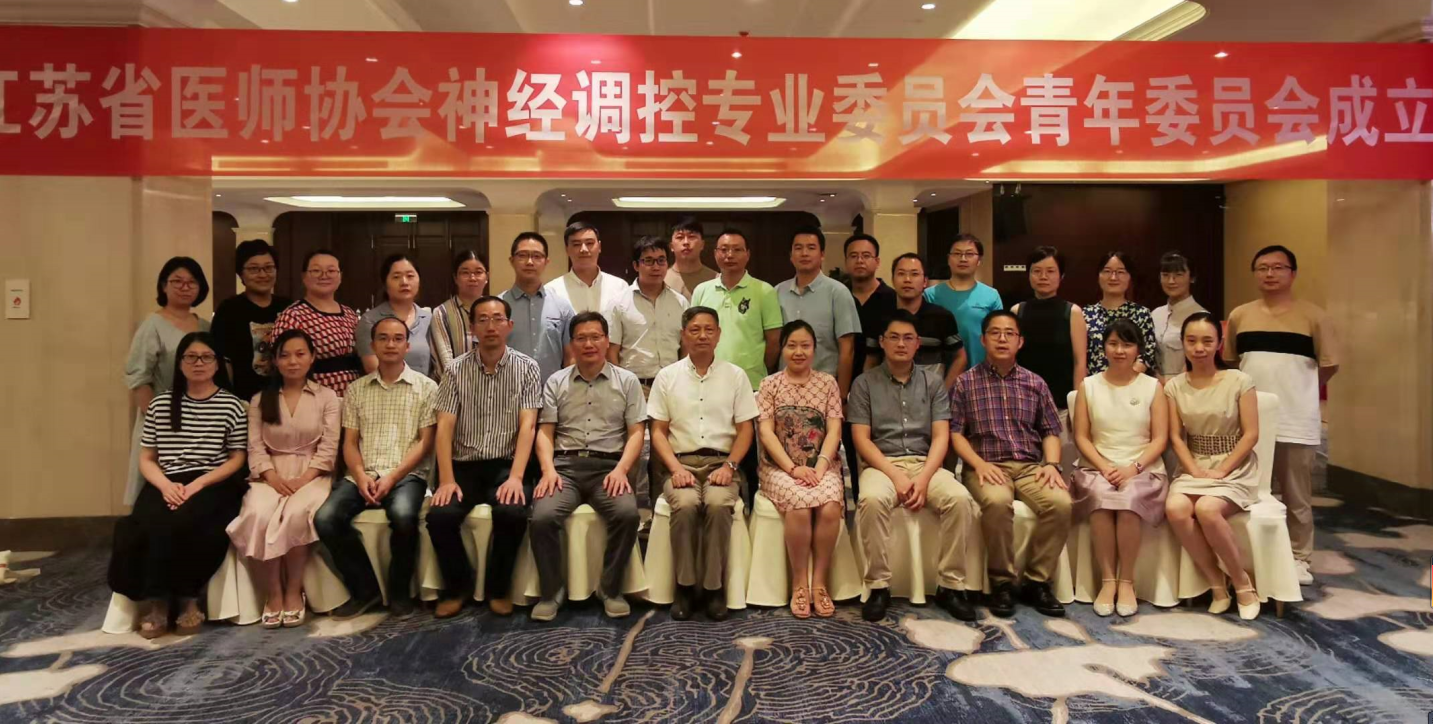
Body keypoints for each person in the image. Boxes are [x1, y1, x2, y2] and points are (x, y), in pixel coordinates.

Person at [109, 332, 247, 639]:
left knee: (189, 522)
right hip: (167, 480)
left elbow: (237, 457)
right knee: (145, 524)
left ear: (217, 364)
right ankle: (157, 602)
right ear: (180, 363)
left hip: (212, 481)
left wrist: (198, 484)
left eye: (206, 357)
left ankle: (188, 598)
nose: (199, 363)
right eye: (191, 357)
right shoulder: (161, 404)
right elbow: (147, 458)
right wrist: (166, 486)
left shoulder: (231, 405)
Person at [850, 311, 978, 623]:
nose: (901, 344)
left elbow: (941, 437)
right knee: (871, 500)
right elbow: (861, 440)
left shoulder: (933, 383)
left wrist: (922, 480)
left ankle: (950, 585)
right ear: (882, 342)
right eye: (894, 337)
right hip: (882, 465)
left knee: (960, 499)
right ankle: (878, 586)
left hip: (925, 463)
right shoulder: (864, 383)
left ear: (918, 344)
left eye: (908, 338)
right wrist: (895, 475)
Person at [1225, 245, 1338, 586]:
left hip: (1295, 420)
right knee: (1247, 492)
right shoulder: (1240, 315)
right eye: (1262, 268)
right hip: (1249, 424)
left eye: (1278, 267)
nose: (1270, 274)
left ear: (1293, 273)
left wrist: (1297, 392)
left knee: (1296, 496)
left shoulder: (1314, 316)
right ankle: (1250, 555)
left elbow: (1328, 366)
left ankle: (1299, 557)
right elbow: (1232, 362)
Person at [314, 317, 438, 619]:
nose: (390, 344)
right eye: (383, 338)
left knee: (404, 516)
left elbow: (425, 443)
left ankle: (399, 592)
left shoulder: (426, 387)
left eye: (397, 338)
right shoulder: (356, 389)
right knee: (326, 519)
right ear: (372, 345)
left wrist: (392, 477)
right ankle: (365, 589)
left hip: (407, 475)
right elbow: (350, 443)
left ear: (407, 346)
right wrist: (359, 476)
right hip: (363, 473)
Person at [951, 310, 1071, 618]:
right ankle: (1002, 583)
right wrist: (978, 464)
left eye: (1009, 333)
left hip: (1030, 467)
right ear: (983, 340)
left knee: (1060, 503)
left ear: (1020, 342)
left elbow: (1050, 430)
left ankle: (1037, 582)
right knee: (997, 502)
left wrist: (1052, 464)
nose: (1002, 339)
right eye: (995, 333)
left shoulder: (1035, 383)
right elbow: (955, 434)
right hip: (987, 465)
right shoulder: (965, 383)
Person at [428, 295, 542, 618]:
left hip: (507, 464)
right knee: (439, 516)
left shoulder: (528, 368)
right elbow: (444, 428)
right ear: (472, 327)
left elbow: (528, 426)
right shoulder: (455, 370)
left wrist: (517, 477)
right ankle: (457, 587)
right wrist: (446, 479)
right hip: (463, 466)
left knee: (512, 512)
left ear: (510, 325)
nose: (491, 326)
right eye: (483, 319)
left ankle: (497, 589)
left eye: (497, 319)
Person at [529, 312, 645, 621]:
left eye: (595, 337)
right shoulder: (556, 381)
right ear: (572, 344)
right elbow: (545, 432)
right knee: (542, 517)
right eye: (581, 338)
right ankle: (551, 592)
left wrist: (621, 470)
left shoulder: (627, 381)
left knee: (627, 514)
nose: (589, 344)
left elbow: (636, 433)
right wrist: (548, 470)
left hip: (608, 468)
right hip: (564, 468)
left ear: (607, 341)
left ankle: (610, 589)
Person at [647, 306, 759, 621]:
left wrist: (730, 467)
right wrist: (675, 469)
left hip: (722, 463)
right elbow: (657, 431)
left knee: (718, 504)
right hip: (679, 462)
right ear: (684, 335)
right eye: (695, 330)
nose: (702, 336)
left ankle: (713, 588)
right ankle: (684, 586)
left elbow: (745, 430)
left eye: (709, 329)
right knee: (684, 505)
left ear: (719, 335)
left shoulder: (735, 376)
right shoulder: (667, 377)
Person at [226, 330, 340, 628]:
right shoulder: (260, 399)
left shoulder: (327, 397)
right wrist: (272, 476)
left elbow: (329, 446)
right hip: (269, 474)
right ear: (275, 361)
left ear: (312, 358)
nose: (293, 361)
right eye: (285, 355)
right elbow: (255, 446)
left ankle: (293, 591)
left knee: (297, 512)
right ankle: (273, 593)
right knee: (258, 513)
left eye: (300, 354)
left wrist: (304, 479)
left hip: (312, 473)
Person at [1070, 319, 1169, 618]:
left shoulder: (1152, 387)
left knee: (1128, 501)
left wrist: (1133, 468)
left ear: (1138, 349)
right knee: (1100, 499)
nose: (1119, 350)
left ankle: (1127, 581)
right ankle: (1107, 581)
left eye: (1127, 344)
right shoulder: (1089, 386)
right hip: (1096, 466)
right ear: (1104, 348)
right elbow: (1081, 436)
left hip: (1142, 467)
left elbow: (1160, 438)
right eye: (1113, 344)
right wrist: (1104, 466)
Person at [1165, 312, 1262, 620]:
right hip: (1194, 465)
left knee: (1207, 509)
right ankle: (1216, 583)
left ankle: (1242, 582)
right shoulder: (1174, 386)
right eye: (1191, 341)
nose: (1199, 348)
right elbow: (1175, 437)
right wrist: (1193, 469)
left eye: (1207, 341)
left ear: (1219, 343)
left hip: (1235, 466)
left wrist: (1223, 470)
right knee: (1175, 508)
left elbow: (1251, 434)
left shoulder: (1239, 381)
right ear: (1183, 343)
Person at [757, 321, 846, 619]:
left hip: (821, 465)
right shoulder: (769, 385)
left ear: (815, 349)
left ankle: (819, 583)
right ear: (782, 349)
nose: (798, 352)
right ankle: (799, 584)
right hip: (780, 468)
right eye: (791, 345)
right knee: (799, 504)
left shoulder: (828, 383)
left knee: (830, 505)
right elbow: (766, 433)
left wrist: (820, 466)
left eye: (805, 346)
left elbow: (834, 430)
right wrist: (793, 468)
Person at [606, 235, 689, 513]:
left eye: (661, 260)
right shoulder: (619, 303)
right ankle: (630, 513)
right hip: (634, 386)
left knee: (665, 452)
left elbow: (685, 349)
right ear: (635, 265)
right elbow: (612, 351)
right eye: (648, 261)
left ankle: (659, 512)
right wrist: (621, 386)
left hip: (670, 387)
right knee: (631, 452)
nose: (655, 267)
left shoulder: (680, 302)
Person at [124, 257, 212, 505]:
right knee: (158, 488)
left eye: (192, 282)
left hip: (201, 417)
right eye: (177, 281)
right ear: (164, 286)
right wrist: (159, 420)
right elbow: (139, 378)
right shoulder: (152, 325)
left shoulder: (205, 326)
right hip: (163, 416)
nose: (185, 287)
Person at [690, 228, 783, 391]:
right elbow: (692, 336)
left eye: (737, 250)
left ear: (747, 254)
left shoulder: (765, 291)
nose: (730, 255)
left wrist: (757, 366)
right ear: (715, 254)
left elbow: (773, 342)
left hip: (751, 383)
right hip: (707, 381)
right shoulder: (701, 290)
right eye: (724, 249)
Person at [775, 226, 861, 399]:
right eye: (798, 248)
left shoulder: (838, 292)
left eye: (811, 248)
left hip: (824, 389)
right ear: (791, 255)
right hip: (784, 389)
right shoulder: (777, 292)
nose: (804, 253)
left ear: (822, 254)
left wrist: (841, 396)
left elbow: (847, 349)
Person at [842, 233, 899, 492]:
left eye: (866, 256)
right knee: (850, 446)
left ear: (877, 261)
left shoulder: (892, 298)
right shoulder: (839, 295)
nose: (860, 261)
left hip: (885, 384)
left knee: (883, 447)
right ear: (846, 261)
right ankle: (857, 498)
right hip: (845, 382)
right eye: (853, 256)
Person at [864, 253, 965, 391]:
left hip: (930, 395)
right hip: (888, 395)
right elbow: (871, 360)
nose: (907, 280)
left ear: (925, 281)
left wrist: (943, 392)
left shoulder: (942, 317)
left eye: (914, 274)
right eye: (901, 274)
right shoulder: (879, 317)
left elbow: (960, 357)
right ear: (893, 280)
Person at [269, 249, 362, 397]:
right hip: (313, 396)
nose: (324, 276)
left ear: (340, 276)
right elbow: (282, 362)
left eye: (331, 271)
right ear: (304, 276)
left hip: (354, 395)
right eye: (316, 271)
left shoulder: (350, 314)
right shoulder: (293, 316)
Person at [1011, 246, 1087, 423]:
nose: (1043, 276)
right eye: (1036, 271)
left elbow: (1080, 362)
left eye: (1050, 271)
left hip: (1061, 405)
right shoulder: (1017, 311)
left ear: (1061, 276)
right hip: (1023, 403)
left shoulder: (1073, 312)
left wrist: (1076, 405)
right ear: (1029, 275)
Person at [211, 240, 292, 402]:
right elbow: (221, 361)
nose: (262, 274)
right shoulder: (229, 309)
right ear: (240, 273)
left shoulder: (288, 308)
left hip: (286, 398)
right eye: (254, 269)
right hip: (243, 400)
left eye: (268, 267)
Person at [501, 232, 575, 384]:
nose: (529, 262)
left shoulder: (562, 306)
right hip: (508, 392)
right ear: (511, 260)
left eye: (537, 256)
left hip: (551, 392)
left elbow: (571, 356)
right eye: (522, 255)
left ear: (546, 261)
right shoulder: (498, 306)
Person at [924, 234, 1003, 368]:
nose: (963, 259)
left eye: (969, 254)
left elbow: (999, 335)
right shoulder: (931, 295)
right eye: (957, 253)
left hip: (981, 370)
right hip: (941, 372)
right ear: (948, 259)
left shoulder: (991, 295)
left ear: (979, 260)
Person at [356, 253, 434, 378]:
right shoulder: (370, 320)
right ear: (385, 284)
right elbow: (372, 367)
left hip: (426, 388)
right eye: (396, 277)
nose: (404, 282)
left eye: (410, 276)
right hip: (383, 388)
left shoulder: (430, 319)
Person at [1084, 251, 1159, 375]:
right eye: (1107, 271)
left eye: (1120, 272)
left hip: (1132, 382)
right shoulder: (1085, 315)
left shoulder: (1141, 313)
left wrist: (1123, 381)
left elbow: (1147, 354)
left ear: (1130, 277)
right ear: (1098, 276)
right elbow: (1080, 358)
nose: (1113, 277)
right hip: (1094, 383)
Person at [545, 221, 628, 315]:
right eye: (576, 244)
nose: (583, 249)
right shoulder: (552, 290)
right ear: (567, 249)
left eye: (589, 243)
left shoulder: (619, 287)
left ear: (599, 247)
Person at [429, 250, 489, 381]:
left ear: (486, 277)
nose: (472, 278)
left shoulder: (494, 311)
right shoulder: (442, 313)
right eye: (465, 273)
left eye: (478, 272)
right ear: (455, 278)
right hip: (453, 387)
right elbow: (444, 362)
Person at [1151, 252, 1207, 382]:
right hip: (1154, 385)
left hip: (1187, 385)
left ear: (1192, 278)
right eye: (1165, 275)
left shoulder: (1201, 317)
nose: (1171, 281)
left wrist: (1172, 385)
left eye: (1178, 275)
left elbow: (1199, 359)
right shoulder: (1154, 314)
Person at [664, 216, 718, 300]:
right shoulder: (661, 279)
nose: (686, 242)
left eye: (692, 237)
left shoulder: (716, 280)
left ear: (702, 244)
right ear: (671, 246)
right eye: (680, 237)